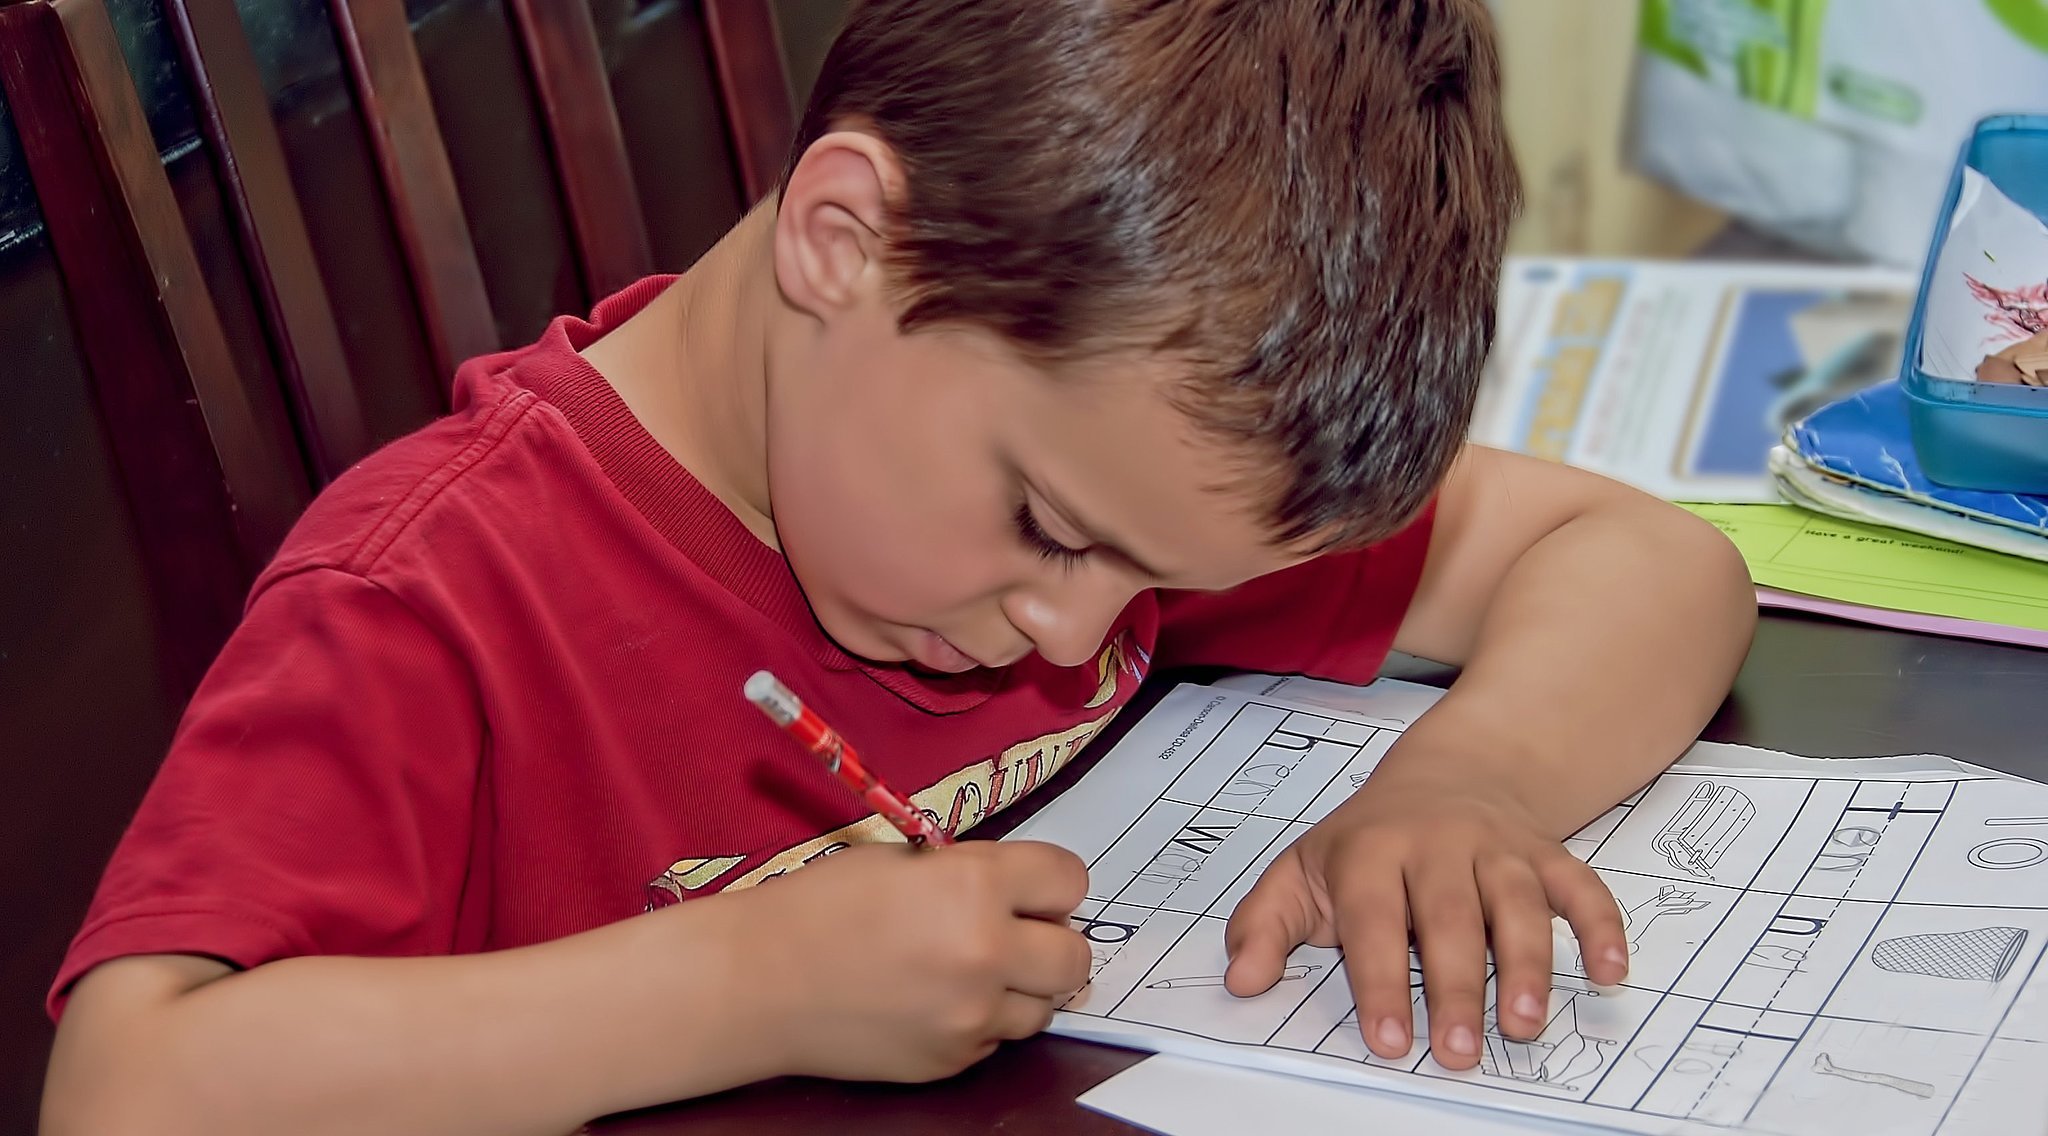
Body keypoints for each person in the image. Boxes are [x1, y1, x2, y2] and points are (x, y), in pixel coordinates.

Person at [39, 1, 1754, 1132]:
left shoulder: (1101, 447)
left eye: (1141, 571)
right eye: (1051, 531)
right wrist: (742, 987)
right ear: (845, 240)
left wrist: (1467, 785)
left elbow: (1650, 556)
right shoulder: (435, 598)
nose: (1081, 626)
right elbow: (131, 1088)